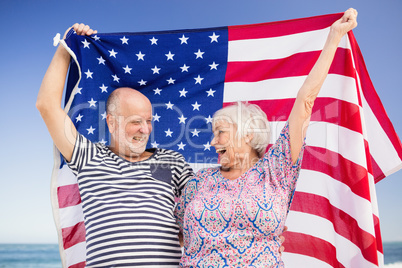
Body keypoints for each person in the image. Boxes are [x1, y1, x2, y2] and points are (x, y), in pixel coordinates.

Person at [175, 8, 358, 267]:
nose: (213, 142)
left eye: (221, 133)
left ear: (248, 134)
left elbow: (305, 101)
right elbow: (175, 234)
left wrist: (334, 36)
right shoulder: (198, 183)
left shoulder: (276, 171)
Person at [37, 24, 193, 267]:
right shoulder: (88, 156)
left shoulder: (171, 162)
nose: (145, 129)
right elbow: (46, 105)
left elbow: (206, 204)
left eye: (149, 121)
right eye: (135, 122)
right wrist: (66, 46)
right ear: (111, 122)